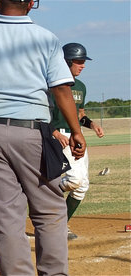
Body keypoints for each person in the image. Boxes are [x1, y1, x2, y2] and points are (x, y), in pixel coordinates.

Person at [0, 0, 86, 275]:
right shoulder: (46, 38)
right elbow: (61, 90)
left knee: (6, 220)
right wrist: (76, 130)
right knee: (49, 213)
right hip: (34, 132)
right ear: (32, 3)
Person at [51, 43, 104, 240]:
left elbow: (79, 114)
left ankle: (59, 226)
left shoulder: (81, 87)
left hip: (76, 136)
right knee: (75, 180)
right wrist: (55, 132)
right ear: (67, 62)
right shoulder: (53, 85)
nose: (83, 65)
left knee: (82, 186)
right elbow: (43, 114)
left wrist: (91, 124)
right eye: (79, 62)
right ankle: (43, 192)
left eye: (84, 62)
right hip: (60, 138)